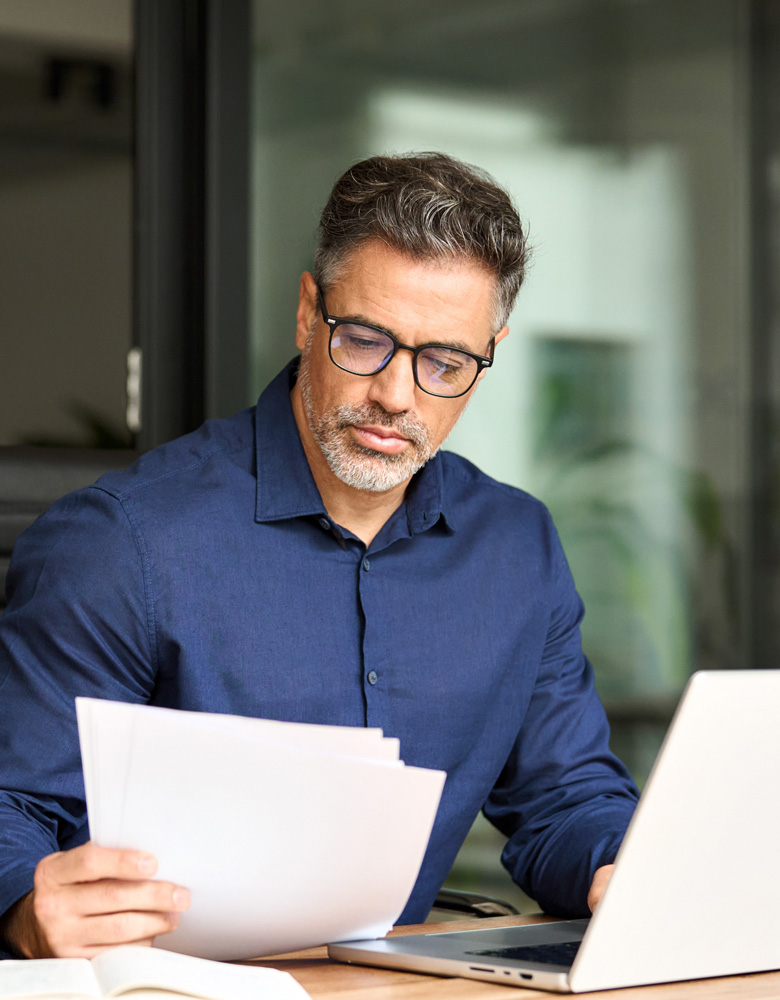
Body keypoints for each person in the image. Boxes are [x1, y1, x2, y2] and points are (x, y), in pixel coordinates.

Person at [0, 152, 638, 960]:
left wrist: (621, 867)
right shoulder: (124, 542)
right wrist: (25, 903)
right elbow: (10, 802)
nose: (396, 396)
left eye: (444, 362)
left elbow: (563, 796)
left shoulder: (516, 548)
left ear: (489, 354)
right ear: (309, 313)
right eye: (366, 341)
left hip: (391, 984)